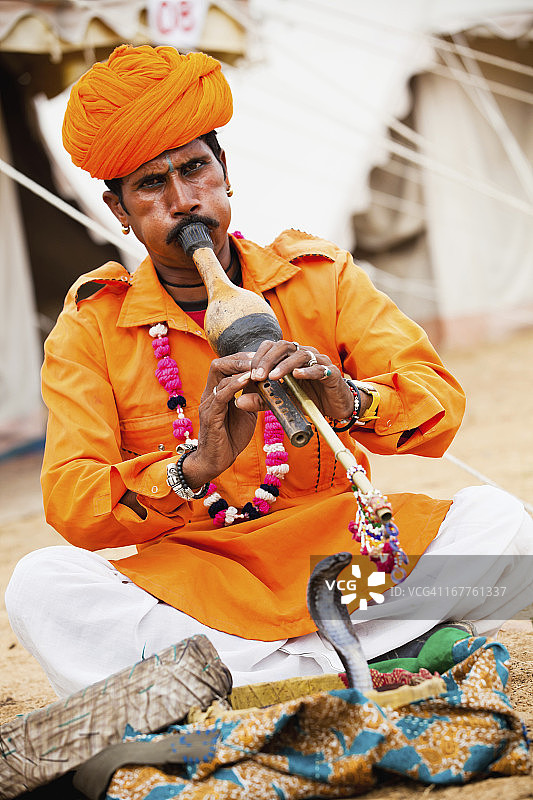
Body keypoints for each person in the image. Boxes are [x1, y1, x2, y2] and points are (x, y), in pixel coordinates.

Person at [5, 45, 533, 698]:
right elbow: (72, 501)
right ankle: (355, 663)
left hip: (347, 572)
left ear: (224, 170)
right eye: (150, 184)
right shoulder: (91, 326)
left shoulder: (320, 277)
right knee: (40, 584)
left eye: (195, 169)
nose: (182, 201)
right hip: (200, 594)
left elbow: (436, 406)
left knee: (505, 528)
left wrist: (346, 401)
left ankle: (265, 679)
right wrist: (193, 466)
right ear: (119, 210)